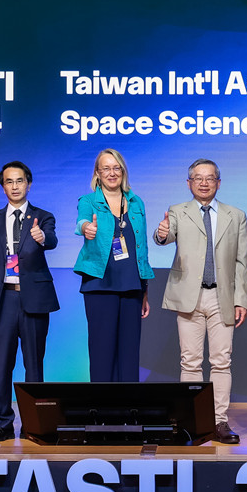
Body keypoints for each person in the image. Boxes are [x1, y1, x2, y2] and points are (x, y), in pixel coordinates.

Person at [154, 158, 247, 444]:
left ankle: (219, 421)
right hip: (189, 296)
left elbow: (242, 261)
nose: (204, 183)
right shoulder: (177, 211)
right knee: (190, 362)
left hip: (223, 296)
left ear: (218, 182)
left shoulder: (236, 215)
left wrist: (242, 299)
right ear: (189, 183)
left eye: (210, 178)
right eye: (198, 178)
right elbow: (165, 236)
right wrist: (161, 234)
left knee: (221, 362)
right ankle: (191, 421)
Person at [0, 161, 60, 442]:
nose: (15, 186)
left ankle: (34, 424)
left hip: (34, 299)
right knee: (2, 365)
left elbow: (52, 240)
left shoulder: (43, 217)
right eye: (9, 182)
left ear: (29, 183)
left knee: (34, 365)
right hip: (2, 299)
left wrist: (42, 237)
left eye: (20, 181)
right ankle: (2, 423)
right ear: (3, 186)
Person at [74, 148, 154, 382]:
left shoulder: (136, 202)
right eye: (106, 168)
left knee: (129, 353)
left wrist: (144, 289)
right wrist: (86, 228)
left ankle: (128, 404)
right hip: (100, 284)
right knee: (102, 351)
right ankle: (101, 404)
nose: (112, 173)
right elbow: (82, 221)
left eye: (116, 167)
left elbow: (142, 247)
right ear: (97, 173)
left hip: (132, 285)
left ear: (123, 171)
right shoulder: (88, 201)